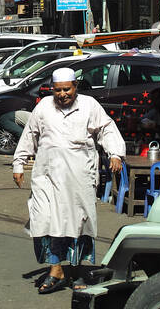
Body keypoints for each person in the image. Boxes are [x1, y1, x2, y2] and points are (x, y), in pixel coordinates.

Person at [12, 68, 125, 293]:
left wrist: (115, 153)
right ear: (52, 90)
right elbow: (30, 135)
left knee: (77, 223)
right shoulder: (43, 106)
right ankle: (56, 269)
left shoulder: (90, 105)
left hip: (79, 176)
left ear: (75, 86)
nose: (63, 94)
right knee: (44, 219)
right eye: (58, 90)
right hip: (47, 176)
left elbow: (106, 129)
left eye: (67, 89)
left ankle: (75, 271)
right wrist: (19, 163)